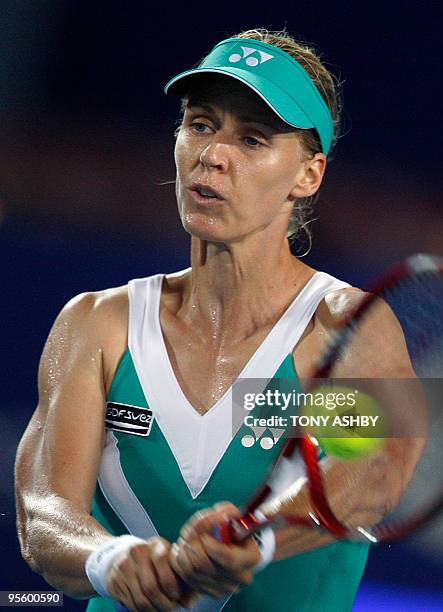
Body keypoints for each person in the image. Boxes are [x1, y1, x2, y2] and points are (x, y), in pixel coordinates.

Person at [15, 28, 420, 611]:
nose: (212, 155)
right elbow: (44, 512)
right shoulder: (95, 324)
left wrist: (258, 537)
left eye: (252, 139)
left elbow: (376, 473)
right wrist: (108, 559)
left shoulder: (348, 328)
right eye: (200, 124)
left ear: (308, 174)